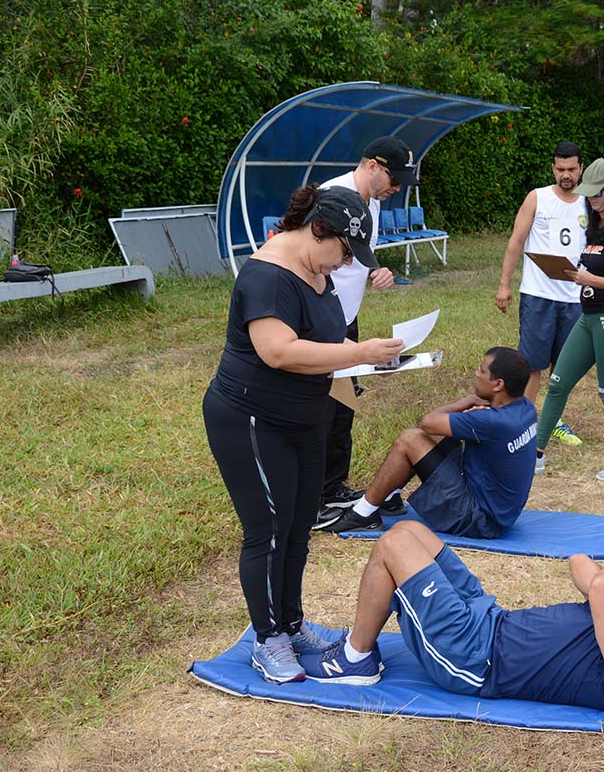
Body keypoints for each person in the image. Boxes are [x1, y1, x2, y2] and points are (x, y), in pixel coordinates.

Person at [202, 185, 405, 685]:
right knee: (267, 531)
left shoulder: (319, 271)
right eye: (343, 252)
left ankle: (290, 623)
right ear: (319, 230)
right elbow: (279, 352)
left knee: (297, 527)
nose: (344, 264)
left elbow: (328, 341)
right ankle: (266, 638)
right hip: (251, 419)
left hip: (305, 416)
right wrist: (359, 354)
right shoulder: (266, 276)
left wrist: (366, 369)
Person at [298, 521, 604, 711]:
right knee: (411, 530)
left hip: (473, 656)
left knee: (393, 547)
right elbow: (577, 561)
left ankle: (355, 657)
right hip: (488, 617)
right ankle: (361, 648)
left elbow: (598, 582)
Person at [314, 347, 537, 538]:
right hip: (501, 514)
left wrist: (464, 402)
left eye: (481, 370)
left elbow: (427, 423)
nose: (475, 373)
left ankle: (362, 514)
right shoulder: (525, 409)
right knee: (441, 433)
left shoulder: (490, 421)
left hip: (478, 521)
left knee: (410, 439)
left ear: (498, 384)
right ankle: (389, 499)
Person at [314, 136, 417, 529]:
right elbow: (310, 259)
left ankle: (332, 485)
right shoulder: (331, 196)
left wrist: (378, 270)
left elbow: (354, 258)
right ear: (372, 165)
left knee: (343, 406)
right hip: (322, 319)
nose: (397, 189)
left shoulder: (372, 202)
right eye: (394, 178)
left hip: (346, 318)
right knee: (322, 406)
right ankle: (313, 494)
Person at [533, 158, 604, 482]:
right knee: (557, 384)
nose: (593, 200)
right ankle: (536, 456)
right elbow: (595, 269)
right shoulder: (596, 224)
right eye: (589, 195)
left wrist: (591, 279)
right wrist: (573, 274)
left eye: (598, 194)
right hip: (589, 318)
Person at [495, 141, 587, 447]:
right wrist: (504, 284)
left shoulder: (589, 203)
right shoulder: (538, 197)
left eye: (571, 169)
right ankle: (526, 426)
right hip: (538, 296)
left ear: (581, 169)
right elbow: (516, 240)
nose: (565, 175)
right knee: (533, 364)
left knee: (563, 369)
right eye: (560, 169)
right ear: (553, 168)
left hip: (574, 298)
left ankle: (552, 421)